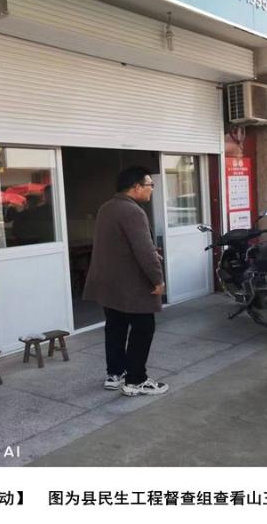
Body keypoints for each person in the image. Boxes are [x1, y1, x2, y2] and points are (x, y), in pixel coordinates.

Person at [83, 166, 168, 397]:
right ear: (136, 187)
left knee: (115, 327)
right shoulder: (133, 211)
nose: (152, 189)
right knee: (143, 328)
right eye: (150, 185)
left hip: (109, 283)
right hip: (130, 285)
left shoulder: (107, 207)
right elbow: (143, 250)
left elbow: (118, 244)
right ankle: (136, 380)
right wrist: (157, 279)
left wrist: (150, 252)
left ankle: (115, 374)